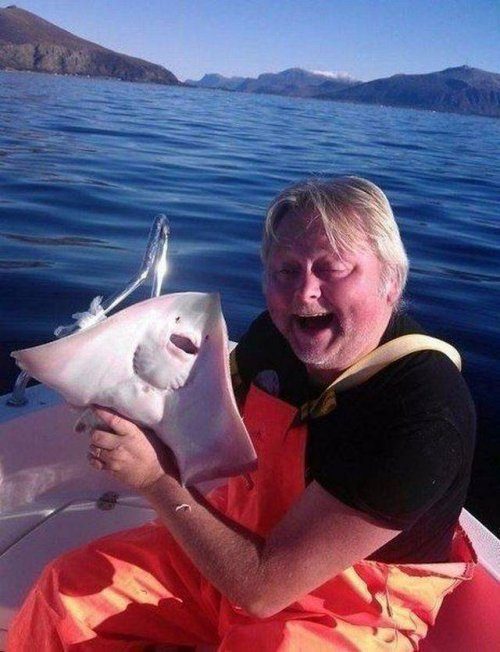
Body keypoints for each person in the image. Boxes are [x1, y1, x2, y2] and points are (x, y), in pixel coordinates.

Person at [8, 177, 476, 651]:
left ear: (391, 281)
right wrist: (110, 387)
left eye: (332, 268)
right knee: (66, 595)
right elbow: (190, 416)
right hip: (232, 549)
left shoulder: (423, 411)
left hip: (346, 611)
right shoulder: (274, 339)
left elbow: (261, 590)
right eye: (286, 270)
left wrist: (153, 478)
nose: (304, 293)